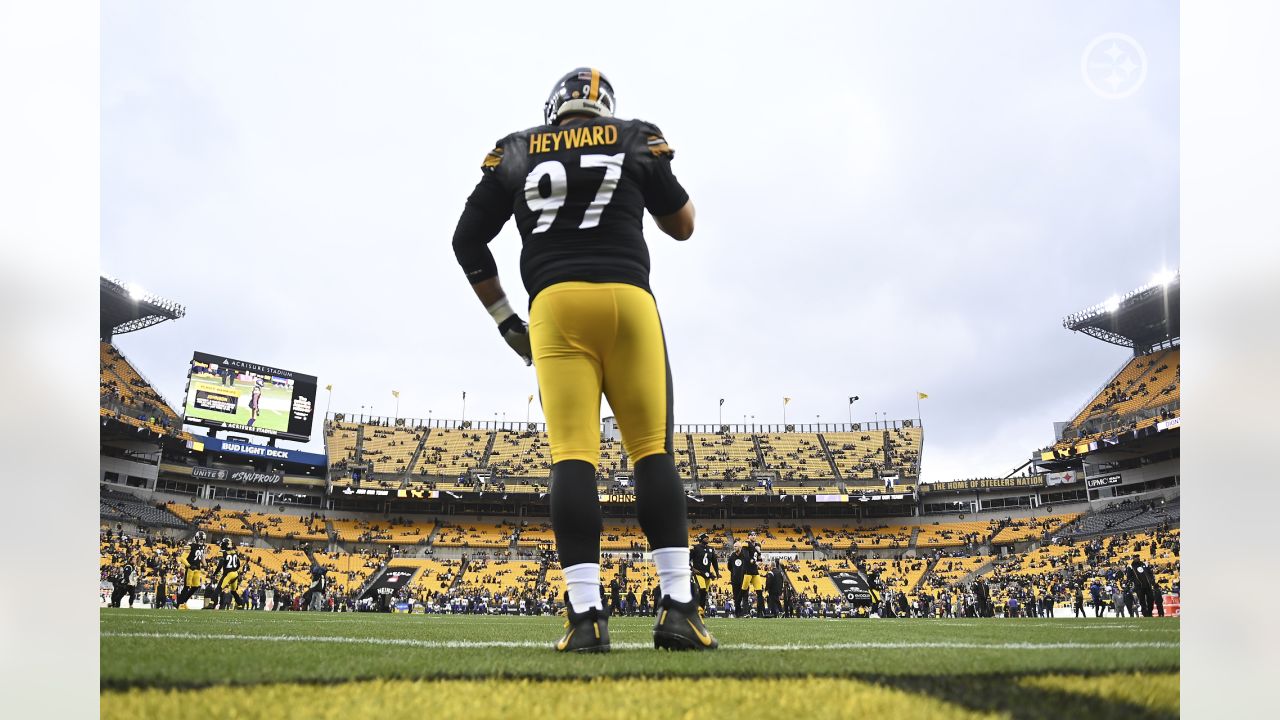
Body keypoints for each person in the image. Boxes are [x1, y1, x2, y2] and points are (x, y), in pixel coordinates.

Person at [451, 67, 710, 653]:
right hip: (627, 300)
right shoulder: (633, 135)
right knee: (651, 452)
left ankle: (586, 616)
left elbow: (467, 239)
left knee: (573, 457)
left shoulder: (516, 150)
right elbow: (684, 225)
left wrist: (505, 320)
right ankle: (678, 607)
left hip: (554, 307)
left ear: (554, 107)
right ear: (605, 106)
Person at [176, 531, 208, 609]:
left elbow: (202, 557)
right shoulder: (190, 546)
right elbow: (182, 558)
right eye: (200, 540)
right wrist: (189, 565)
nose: (202, 541)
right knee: (186, 586)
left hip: (197, 569)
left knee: (196, 586)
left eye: (203, 540)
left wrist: (205, 565)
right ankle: (179, 604)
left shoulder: (203, 547)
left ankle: (183, 602)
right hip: (190, 569)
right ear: (196, 539)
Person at [690, 533, 721, 613]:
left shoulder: (711, 548)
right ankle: (697, 610)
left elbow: (714, 561)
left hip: (707, 573)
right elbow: (687, 559)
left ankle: (701, 611)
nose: (707, 538)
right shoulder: (695, 547)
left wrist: (717, 572)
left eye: (708, 537)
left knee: (704, 593)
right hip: (698, 572)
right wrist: (692, 569)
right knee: (702, 589)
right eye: (705, 537)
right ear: (700, 539)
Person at [211, 538, 244, 610]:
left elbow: (220, 565)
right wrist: (235, 570)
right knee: (233, 591)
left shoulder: (223, 552)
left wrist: (215, 573)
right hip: (235, 574)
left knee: (218, 588)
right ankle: (240, 604)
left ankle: (212, 603)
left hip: (228, 574)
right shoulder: (234, 552)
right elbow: (238, 564)